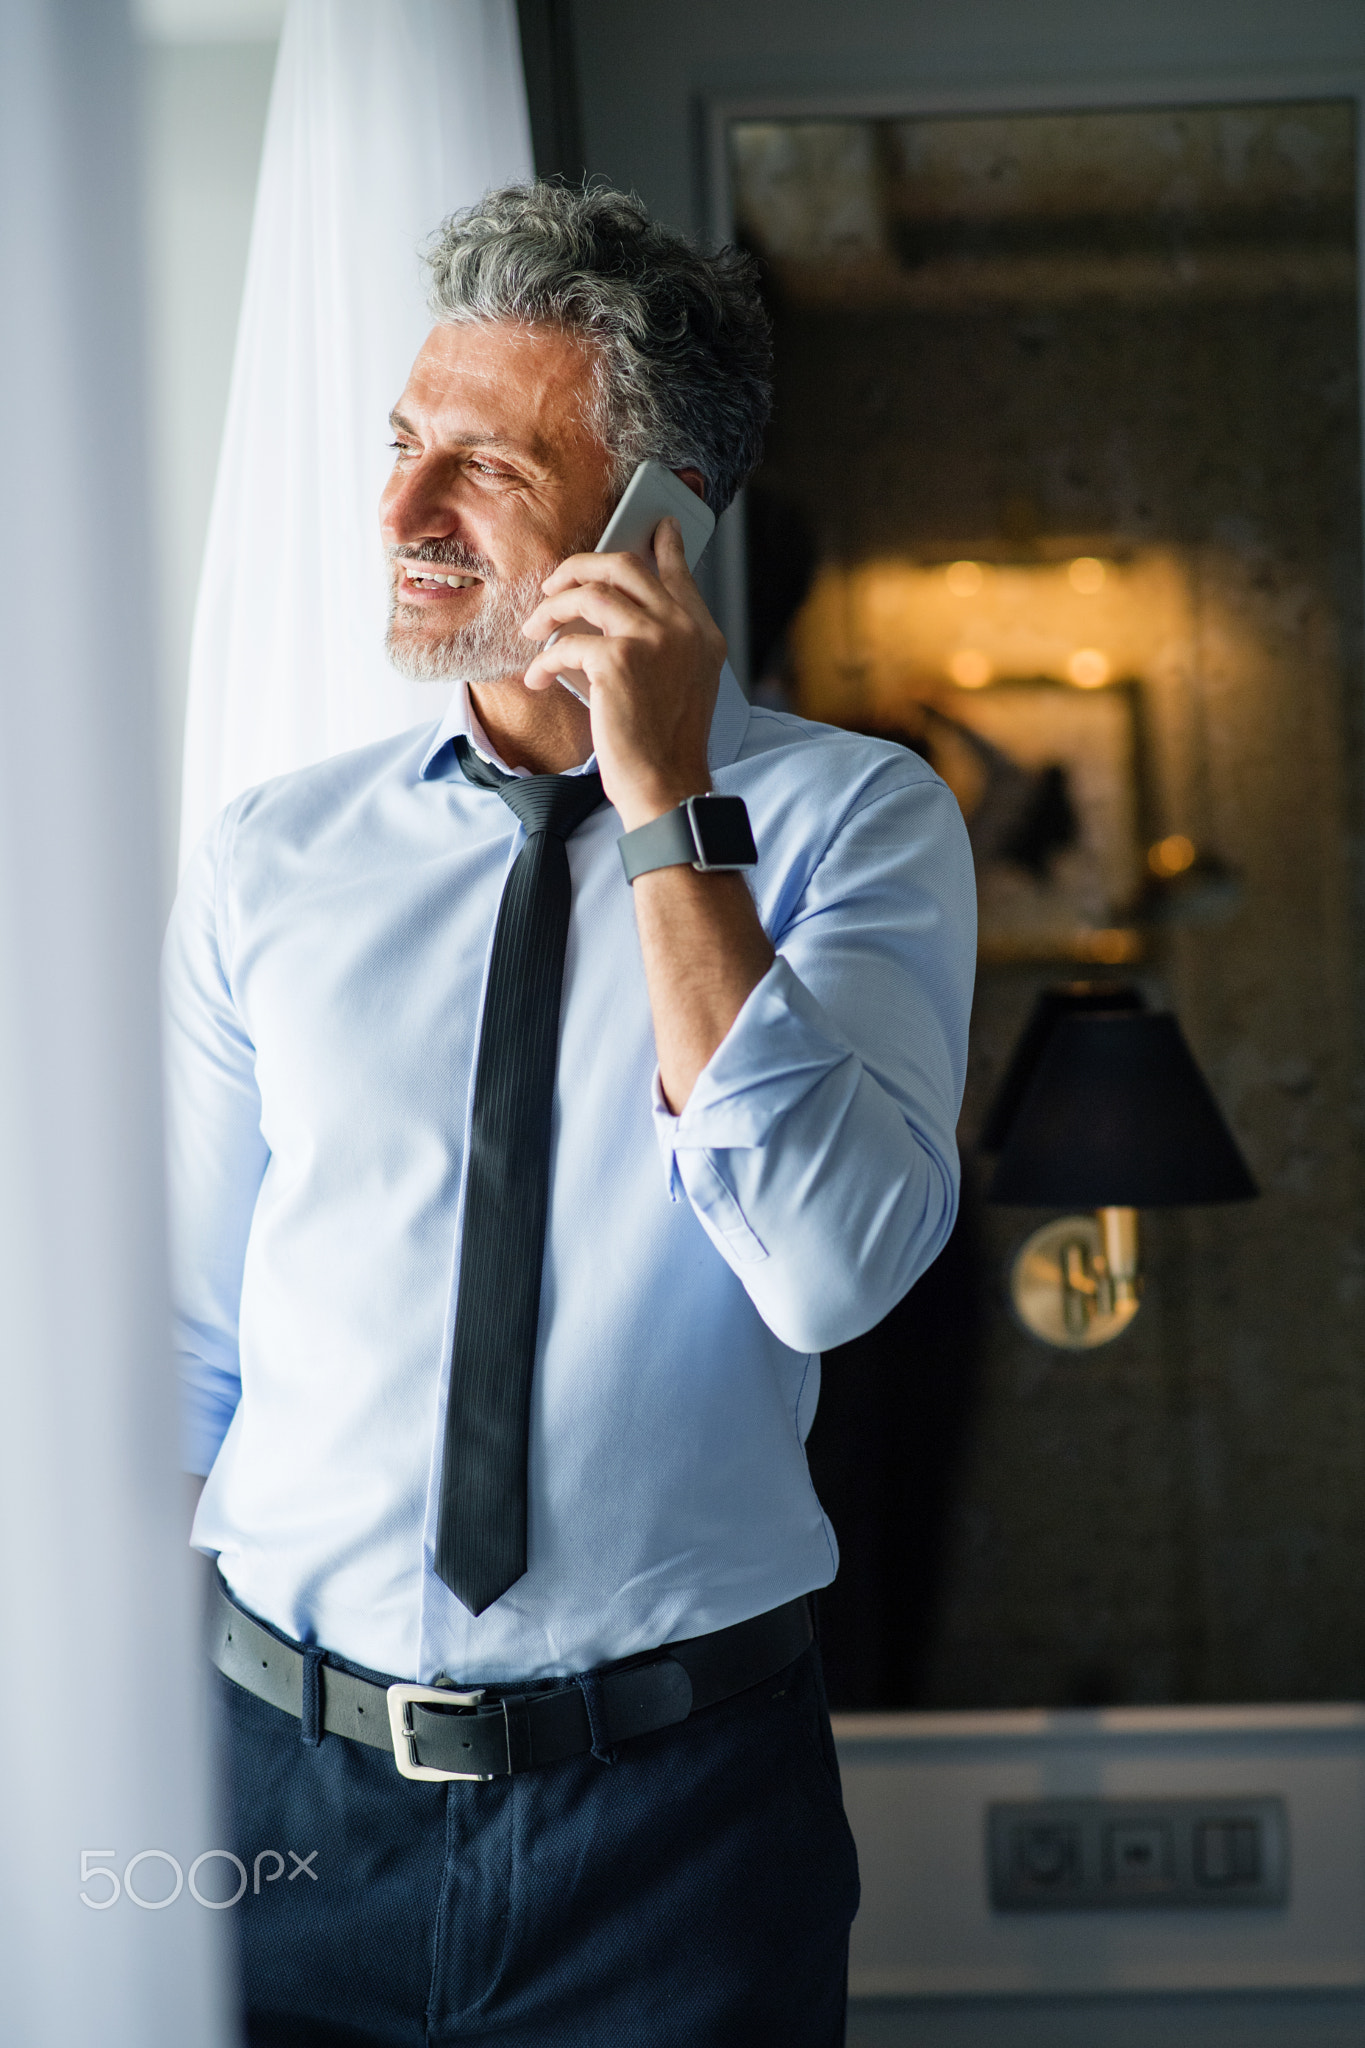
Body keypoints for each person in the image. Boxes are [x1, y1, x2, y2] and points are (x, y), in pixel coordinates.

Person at [163, 182, 975, 2047]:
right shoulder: (270, 858)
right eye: (397, 449)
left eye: (482, 470)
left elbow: (830, 1272)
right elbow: (186, 1356)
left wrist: (669, 807)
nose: (397, 516)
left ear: (653, 523)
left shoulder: (861, 827)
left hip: (680, 1827)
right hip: (275, 1806)